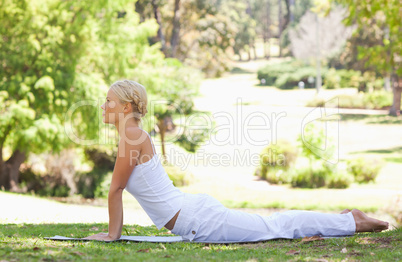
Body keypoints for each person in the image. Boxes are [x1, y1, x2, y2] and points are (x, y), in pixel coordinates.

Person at [84, 80, 389, 242]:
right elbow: (118, 190)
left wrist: (112, 235)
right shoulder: (134, 135)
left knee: (275, 226)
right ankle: (344, 219)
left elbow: (115, 190)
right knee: (273, 224)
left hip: (199, 221)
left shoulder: (133, 136)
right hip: (194, 215)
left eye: (108, 101)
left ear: (125, 107)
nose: (102, 105)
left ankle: (351, 221)